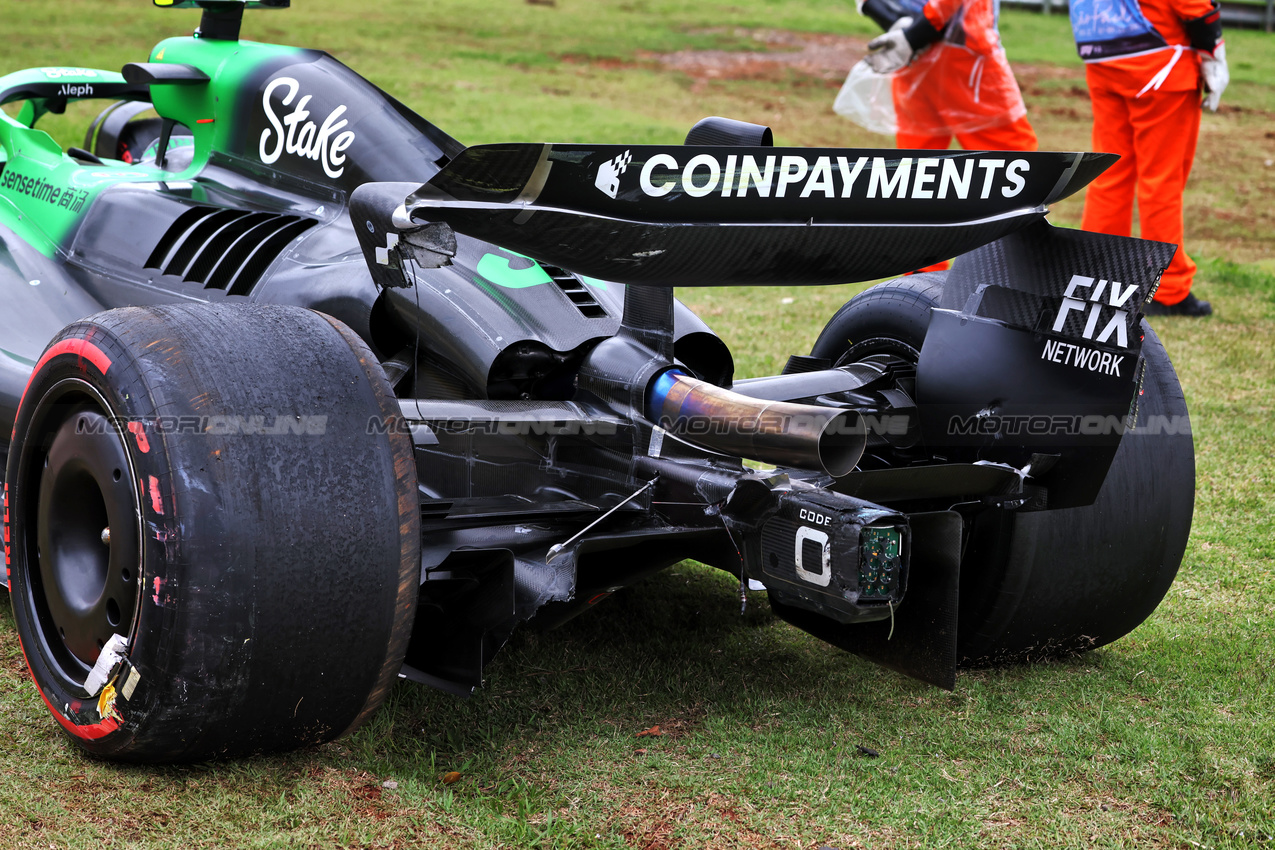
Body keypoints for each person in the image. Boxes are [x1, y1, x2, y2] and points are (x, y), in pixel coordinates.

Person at [1068, 0, 1228, 316]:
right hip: (1160, 63)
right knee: (1162, 180)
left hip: (1104, 55)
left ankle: (1094, 278)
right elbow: (1194, 6)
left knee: (1109, 173)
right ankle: (1168, 289)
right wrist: (1214, 51)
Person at [862, 0, 1038, 271]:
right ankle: (1016, 277)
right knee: (1016, 169)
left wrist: (898, 25)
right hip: (962, 51)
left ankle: (917, 287)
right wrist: (916, 32)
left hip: (913, 50)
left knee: (918, 177)